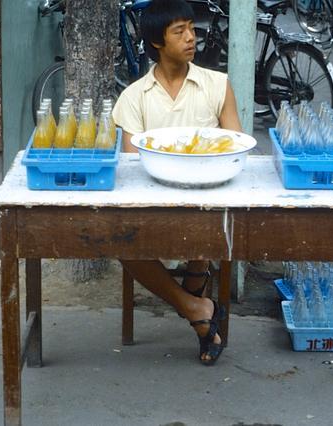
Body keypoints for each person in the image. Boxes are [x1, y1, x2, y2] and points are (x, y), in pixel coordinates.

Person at [112, 0, 242, 365]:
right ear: (157, 41)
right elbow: (133, 165)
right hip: (155, 202)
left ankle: (197, 289)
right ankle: (195, 307)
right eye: (179, 31)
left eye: (192, 29)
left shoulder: (217, 85)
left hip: (208, 202)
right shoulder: (134, 97)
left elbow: (235, 148)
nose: (191, 38)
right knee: (121, 241)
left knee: (211, 214)